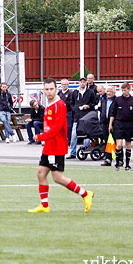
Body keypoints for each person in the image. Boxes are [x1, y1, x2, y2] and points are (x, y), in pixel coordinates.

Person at [29, 78, 93, 214]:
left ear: (56, 89)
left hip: (56, 147)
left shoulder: (59, 105)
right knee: (41, 173)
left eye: (51, 89)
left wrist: (40, 137)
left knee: (57, 177)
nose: (49, 91)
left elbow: (57, 128)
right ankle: (44, 206)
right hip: (49, 147)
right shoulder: (50, 104)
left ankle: (85, 194)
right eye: (46, 89)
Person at [108, 82, 133, 171]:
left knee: (128, 145)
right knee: (118, 145)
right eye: (122, 90)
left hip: (129, 124)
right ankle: (118, 163)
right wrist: (110, 124)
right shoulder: (118, 100)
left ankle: (127, 165)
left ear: (129, 90)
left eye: (125, 90)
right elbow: (112, 113)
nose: (124, 92)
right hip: (119, 123)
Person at [69, 77, 96, 158]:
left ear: (86, 83)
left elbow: (94, 102)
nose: (82, 83)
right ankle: (72, 153)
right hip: (77, 117)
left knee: (87, 136)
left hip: (86, 118)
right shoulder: (75, 92)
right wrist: (75, 109)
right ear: (79, 83)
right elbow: (71, 103)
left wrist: (88, 106)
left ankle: (84, 151)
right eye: (81, 82)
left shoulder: (90, 92)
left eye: (84, 82)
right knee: (74, 135)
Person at [98, 86, 116, 166]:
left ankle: (118, 158)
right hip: (105, 123)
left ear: (114, 93)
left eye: (110, 91)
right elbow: (102, 110)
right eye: (107, 91)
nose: (108, 93)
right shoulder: (104, 100)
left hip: (114, 123)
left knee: (115, 141)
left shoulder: (116, 101)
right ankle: (108, 159)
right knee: (107, 141)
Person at [58, 78, 74, 143]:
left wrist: (63, 103)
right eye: (62, 84)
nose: (64, 85)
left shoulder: (70, 93)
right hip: (60, 113)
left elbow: (69, 103)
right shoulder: (59, 93)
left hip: (68, 112)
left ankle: (69, 141)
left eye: (65, 84)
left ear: (68, 85)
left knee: (68, 127)